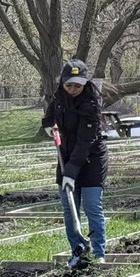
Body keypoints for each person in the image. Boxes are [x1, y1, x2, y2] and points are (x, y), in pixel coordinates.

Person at [41, 60, 108, 265]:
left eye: (77, 85)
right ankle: (78, 249)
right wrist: (48, 127)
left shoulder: (91, 106)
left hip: (90, 162)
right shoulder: (59, 99)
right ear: (63, 83)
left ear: (85, 84)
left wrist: (71, 172)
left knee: (91, 205)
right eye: (69, 85)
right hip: (66, 160)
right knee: (69, 209)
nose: (72, 89)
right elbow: (49, 118)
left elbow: (84, 143)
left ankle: (98, 253)